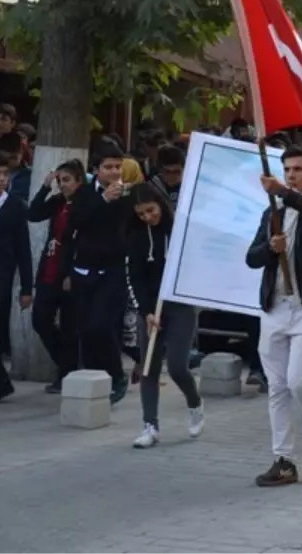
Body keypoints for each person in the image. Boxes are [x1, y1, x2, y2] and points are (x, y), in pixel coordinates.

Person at [245, 145, 302, 488]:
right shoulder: (274, 211)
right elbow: (252, 258)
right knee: (278, 387)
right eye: (287, 170)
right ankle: (283, 459)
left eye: (299, 169)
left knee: (301, 380)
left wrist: (283, 192)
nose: (292, 175)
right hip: (275, 307)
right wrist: (271, 248)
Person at [126, 183, 204, 448]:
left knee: (178, 366)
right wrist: (145, 312)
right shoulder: (136, 236)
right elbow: (134, 277)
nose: (148, 217)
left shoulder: (180, 228)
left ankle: (195, 403)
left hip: (180, 305)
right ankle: (150, 425)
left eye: (150, 210)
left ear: (160, 203)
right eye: (141, 214)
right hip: (150, 309)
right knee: (149, 367)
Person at [69, 146, 134, 403]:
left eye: (118, 167)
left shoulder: (127, 195)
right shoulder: (84, 194)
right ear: (96, 170)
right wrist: (103, 199)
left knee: (101, 323)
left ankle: (117, 374)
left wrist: (116, 201)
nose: (114, 172)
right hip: (85, 268)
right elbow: (77, 222)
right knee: (85, 327)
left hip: (114, 269)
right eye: (108, 167)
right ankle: (95, 377)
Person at [27, 160, 86, 393]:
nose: (63, 185)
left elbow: (84, 241)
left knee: (70, 327)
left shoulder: (85, 204)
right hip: (49, 269)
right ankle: (67, 364)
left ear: (79, 181)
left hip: (70, 273)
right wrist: (45, 187)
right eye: (60, 180)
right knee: (40, 320)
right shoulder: (58, 202)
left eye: (67, 180)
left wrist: (73, 271)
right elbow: (33, 214)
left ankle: (67, 374)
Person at [0, 153, 33, 405]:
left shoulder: (13, 207)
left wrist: (26, 286)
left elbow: (23, 248)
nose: (2, 179)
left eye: (5, 174)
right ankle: (1, 381)